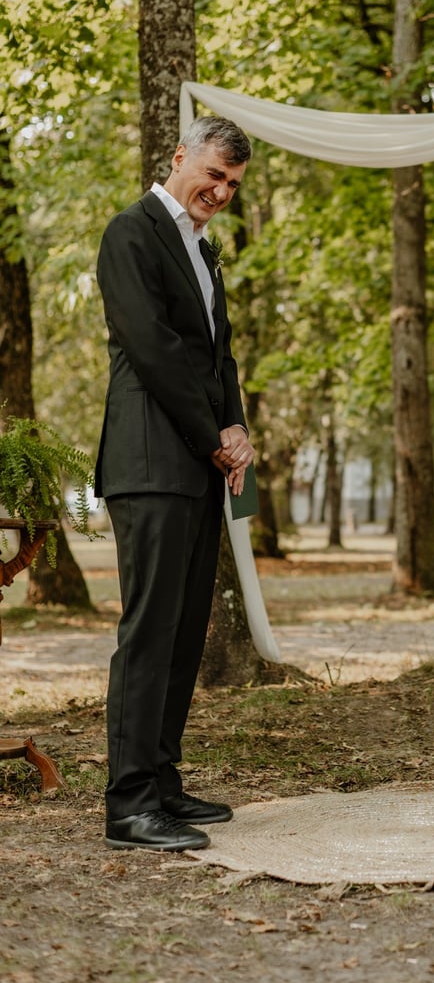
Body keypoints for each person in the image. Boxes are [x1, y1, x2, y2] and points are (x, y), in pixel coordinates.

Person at [95, 115, 256, 852]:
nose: (220, 191)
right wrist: (213, 437)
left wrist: (236, 425)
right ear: (180, 156)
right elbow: (154, 350)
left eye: (233, 184)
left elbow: (219, 357)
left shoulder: (203, 248)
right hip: (151, 461)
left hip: (197, 463)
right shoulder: (130, 233)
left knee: (185, 631)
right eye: (214, 174)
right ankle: (129, 806)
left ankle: (161, 781)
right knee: (149, 632)